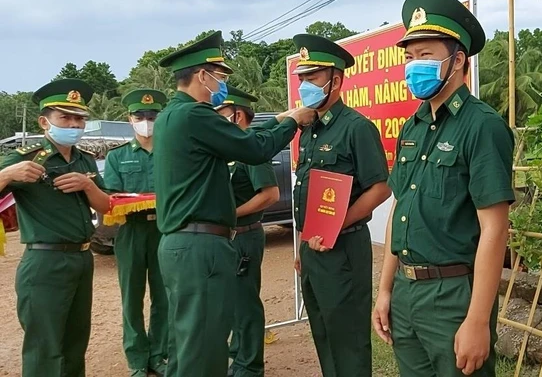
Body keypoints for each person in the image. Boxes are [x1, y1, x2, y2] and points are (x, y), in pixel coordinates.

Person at [153, 31, 316, 377]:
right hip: (201, 246)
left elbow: (242, 141)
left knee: (186, 345)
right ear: (202, 76)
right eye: (221, 77)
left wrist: (277, 121)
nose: (222, 85)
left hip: (180, 245)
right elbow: (252, 149)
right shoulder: (195, 115)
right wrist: (292, 122)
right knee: (205, 351)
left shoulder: (169, 117)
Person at [372, 0, 516, 377]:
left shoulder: (482, 126)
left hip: (453, 295)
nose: (413, 66)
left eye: (426, 55)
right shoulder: (413, 126)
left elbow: (494, 228)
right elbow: (399, 208)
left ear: (457, 61)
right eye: (409, 57)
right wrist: (385, 290)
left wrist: (476, 320)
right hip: (407, 290)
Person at [284, 33, 391, 376]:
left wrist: (335, 225)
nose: (305, 86)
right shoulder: (310, 129)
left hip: (343, 252)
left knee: (348, 342)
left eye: (312, 78)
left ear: (336, 80)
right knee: (325, 337)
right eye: (302, 79)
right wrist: (304, 246)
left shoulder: (356, 128)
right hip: (314, 252)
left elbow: (380, 188)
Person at [0, 78, 110, 377]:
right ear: (44, 122)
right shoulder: (25, 159)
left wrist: (87, 184)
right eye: (65, 117)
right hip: (45, 262)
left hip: (81, 258)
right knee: (44, 346)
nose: (74, 124)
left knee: (76, 342)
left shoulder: (84, 159)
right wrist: (8, 174)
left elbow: (105, 205)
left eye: (79, 119)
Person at [215, 85, 280, 377]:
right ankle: (237, 358)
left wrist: (228, 214)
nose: (216, 118)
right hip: (229, 237)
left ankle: (250, 366)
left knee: (245, 304)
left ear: (237, 114)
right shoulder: (228, 148)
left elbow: (270, 195)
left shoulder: (251, 147)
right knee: (231, 304)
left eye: (221, 114)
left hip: (244, 235)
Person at [103, 88, 169, 377]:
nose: (146, 120)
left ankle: (159, 354)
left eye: (152, 115)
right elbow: (113, 196)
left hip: (165, 229)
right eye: (139, 115)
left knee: (163, 296)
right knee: (131, 297)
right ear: (129, 119)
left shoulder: (171, 151)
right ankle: (136, 359)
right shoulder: (117, 157)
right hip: (131, 232)